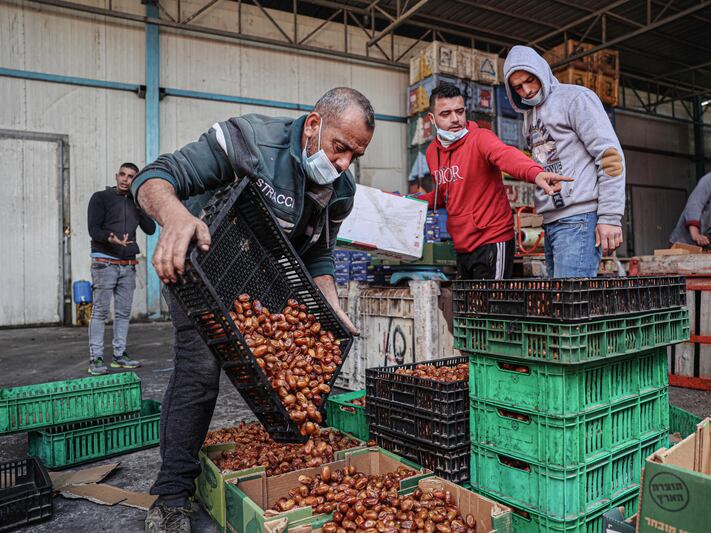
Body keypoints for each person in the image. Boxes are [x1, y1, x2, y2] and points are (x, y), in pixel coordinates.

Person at [132, 87, 373, 533]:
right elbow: (155, 177)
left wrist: (331, 305)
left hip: (261, 280)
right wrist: (176, 217)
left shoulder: (341, 190)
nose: (342, 163)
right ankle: (170, 497)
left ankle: (289, 457)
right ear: (314, 125)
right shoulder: (248, 141)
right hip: (202, 266)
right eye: (340, 148)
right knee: (201, 368)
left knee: (294, 367)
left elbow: (319, 253)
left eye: (353, 155)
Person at [418, 82, 571, 280]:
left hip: (492, 238)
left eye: (459, 111)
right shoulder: (432, 153)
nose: (455, 119)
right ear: (432, 118)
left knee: (491, 305)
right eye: (445, 114)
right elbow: (445, 195)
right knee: (469, 308)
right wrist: (410, 202)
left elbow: (505, 155)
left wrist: (535, 173)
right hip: (462, 244)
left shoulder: (480, 138)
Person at [504, 45, 626, 278]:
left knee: (570, 306)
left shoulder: (576, 99)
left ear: (541, 72)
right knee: (562, 303)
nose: (527, 90)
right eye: (518, 87)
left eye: (531, 80)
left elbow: (609, 156)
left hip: (579, 219)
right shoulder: (528, 118)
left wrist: (610, 217)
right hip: (551, 222)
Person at [86, 162, 156, 375]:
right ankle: (96, 359)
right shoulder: (100, 198)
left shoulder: (136, 203)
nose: (126, 179)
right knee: (99, 312)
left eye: (131, 176)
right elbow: (93, 229)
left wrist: (139, 204)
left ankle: (119, 356)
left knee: (123, 313)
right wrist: (111, 238)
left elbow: (151, 229)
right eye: (123, 175)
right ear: (116, 176)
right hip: (104, 263)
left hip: (128, 265)